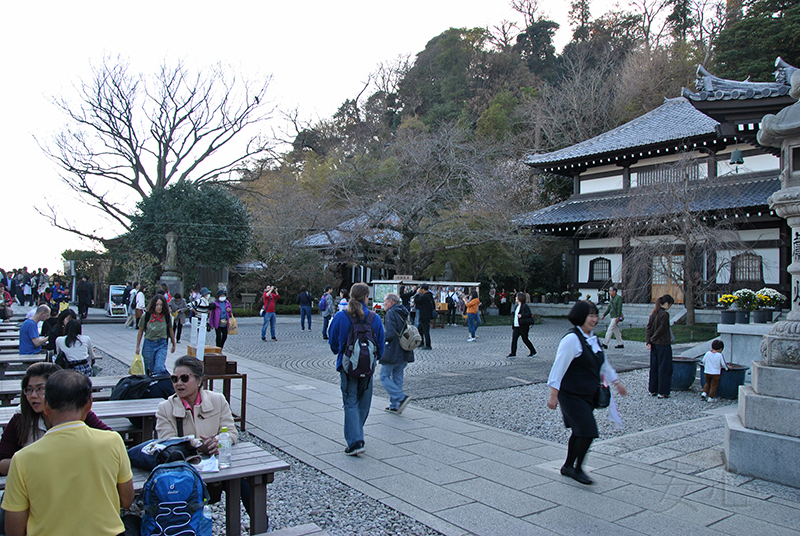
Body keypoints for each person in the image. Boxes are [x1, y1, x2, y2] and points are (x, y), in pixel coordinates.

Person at [1, 370, 134, 536]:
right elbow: (127, 500)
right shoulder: (113, 441)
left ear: (47, 406)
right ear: (89, 403)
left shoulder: (22, 459)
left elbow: (14, 530)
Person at [156, 356, 260, 519]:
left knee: (248, 482)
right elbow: (167, 443)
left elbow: (232, 433)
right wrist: (196, 446)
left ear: (199, 381)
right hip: (184, 471)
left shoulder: (217, 400)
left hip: (216, 465)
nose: (179, 383)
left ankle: (261, 526)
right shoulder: (165, 408)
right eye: (174, 379)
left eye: (184, 378)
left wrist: (216, 442)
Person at [546, 301, 627, 485]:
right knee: (588, 431)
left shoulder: (593, 338)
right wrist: (553, 394)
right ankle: (577, 469)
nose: (594, 319)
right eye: (590, 315)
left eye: (595, 315)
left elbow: (603, 363)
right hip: (571, 394)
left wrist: (617, 382)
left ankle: (567, 466)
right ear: (580, 316)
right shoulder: (572, 339)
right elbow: (558, 367)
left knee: (579, 431)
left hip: (588, 394)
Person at [0, 363, 112, 476]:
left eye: (40, 389)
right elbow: (2, 463)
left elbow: (109, 443)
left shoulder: (77, 414)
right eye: (29, 390)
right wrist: (35, 461)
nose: (33, 395)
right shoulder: (21, 418)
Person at [328, 283, 385, 455]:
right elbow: (380, 345)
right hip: (367, 367)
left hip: (347, 366)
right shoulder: (375, 318)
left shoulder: (341, 316)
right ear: (367, 297)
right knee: (364, 402)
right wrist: (372, 359)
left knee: (350, 401)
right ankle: (356, 434)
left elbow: (333, 342)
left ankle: (355, 440)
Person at [379, 293, 414, 414]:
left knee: (384, 376)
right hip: (405, 348)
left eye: (384, 301)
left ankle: (400, 398)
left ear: (390, 301)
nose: (383, 303)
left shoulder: (391, 313)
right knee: (398, 376)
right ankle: (395, 405)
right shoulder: (404, 311)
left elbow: (389, 334)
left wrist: (380, 338)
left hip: (393, 350)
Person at [135, 295, 177, 376]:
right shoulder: (146, 316)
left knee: (159, 367)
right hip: (149, 343)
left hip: (162, 343)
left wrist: (173, 344)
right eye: (157, 305)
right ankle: (151, 386)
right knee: (149, 369)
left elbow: (170, 330)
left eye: (161, 305)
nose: (159, 307)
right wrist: (138, 347)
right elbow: (140, 331)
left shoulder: (167, 316)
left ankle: (167, 381)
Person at [646, 294, 675, 399]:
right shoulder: (665, 315)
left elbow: (648, 328)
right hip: (663, 343)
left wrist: (649, 341)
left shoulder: (653, 314)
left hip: (654, 345)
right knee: (664, 367)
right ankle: (663, 391)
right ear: (667, 304)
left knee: (654, 367)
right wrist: (653, 338)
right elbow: (662, 328)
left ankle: (653, 389)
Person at [508, 292, 537, 358]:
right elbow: (515, 317)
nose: (516, 298)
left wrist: (522, 315)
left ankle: (533, 351)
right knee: (514, 339)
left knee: (525, 339)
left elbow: (529, 314)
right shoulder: (516, 307)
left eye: (517, 297)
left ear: (520, 298)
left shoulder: (525, 306)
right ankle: (513, 353)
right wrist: (513, 325)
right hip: (516, 326)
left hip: (523, 326)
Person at [415, 284, 435, 350]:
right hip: (427, 315)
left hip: (424, 315)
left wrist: (417, 294)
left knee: (425, 331)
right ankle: (421, 342)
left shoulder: (425, 297)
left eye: (420, 289)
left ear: (423, 289)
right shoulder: (430, 296)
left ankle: (428, 345)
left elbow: (417, 301)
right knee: (420, 329)